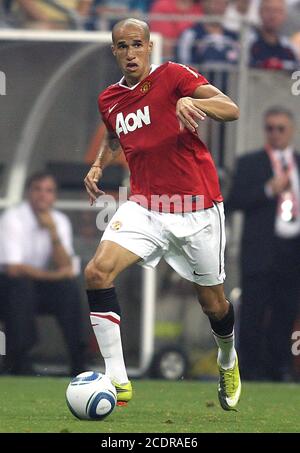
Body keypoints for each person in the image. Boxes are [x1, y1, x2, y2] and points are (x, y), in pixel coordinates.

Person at [83, 18, 241, 410]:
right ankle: (118, 379)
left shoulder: (173, 76)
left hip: (197, 208)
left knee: (213, 305)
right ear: (114, 51)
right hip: (146, 206)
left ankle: (227, 358)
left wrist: (194, 102)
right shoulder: (109, 100)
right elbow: (114, 135)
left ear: (150, 46)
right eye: (122, 46)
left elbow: (231, 108)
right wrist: (100, 165)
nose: (130, 52)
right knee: (96, 273)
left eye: (137, 44)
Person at [227, 107, 300, 381]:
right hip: (260, 250)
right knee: (254, 311)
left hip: (292, 250)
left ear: (290, 130)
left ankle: (279, 367)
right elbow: (233, 201)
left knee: (286, 310)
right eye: (270, 128)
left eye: (281, 128)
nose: (275, 134)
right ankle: (249, 369)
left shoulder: (298, 162)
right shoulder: (251, 163)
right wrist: (269, 189)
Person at [0, 171, 86, 375]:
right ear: (28, 193)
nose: (42, 195)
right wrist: (55, 276)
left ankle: (79, 362)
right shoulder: (12, 218)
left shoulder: (59, 221)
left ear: (54, 196)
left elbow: (68, 267)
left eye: (48, 191)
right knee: (20, 286)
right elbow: (14, 268)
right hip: (7, 287)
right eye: (37, 189)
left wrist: (53, 232)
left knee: (68, 290)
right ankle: (19, 360)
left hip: (33, 285)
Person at [177, 0, 239, 66]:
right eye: (216, 3)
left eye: (224, 4)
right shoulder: (190, 35)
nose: (219, 8)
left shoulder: (233, 37)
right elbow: (183, 63)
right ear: (205, 4)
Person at [249, 0, 298, 71]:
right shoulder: (247, 44)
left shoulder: (290, 49)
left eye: (277, 11)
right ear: (259, 12)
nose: (272, 15)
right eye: (268, 10)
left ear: (284, 15)